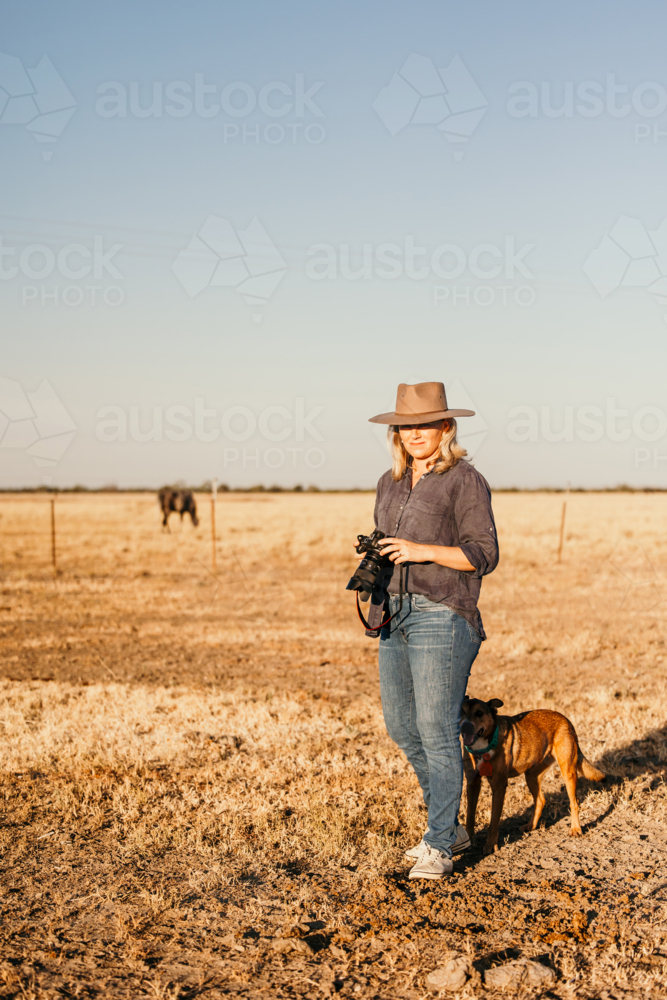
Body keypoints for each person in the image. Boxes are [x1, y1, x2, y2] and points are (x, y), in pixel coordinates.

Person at [360, 382, 499, 879]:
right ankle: (453, 826)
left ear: (446, 427)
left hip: (444, 611)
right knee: (403, 726)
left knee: (438, 731)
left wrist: (422, 551)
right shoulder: (388, 481)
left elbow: (484, 555)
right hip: (393, 612)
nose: (415, 433)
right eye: (406, 426)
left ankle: (440, 842)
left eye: (425, 424)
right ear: (396, 433)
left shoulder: (465, 480)